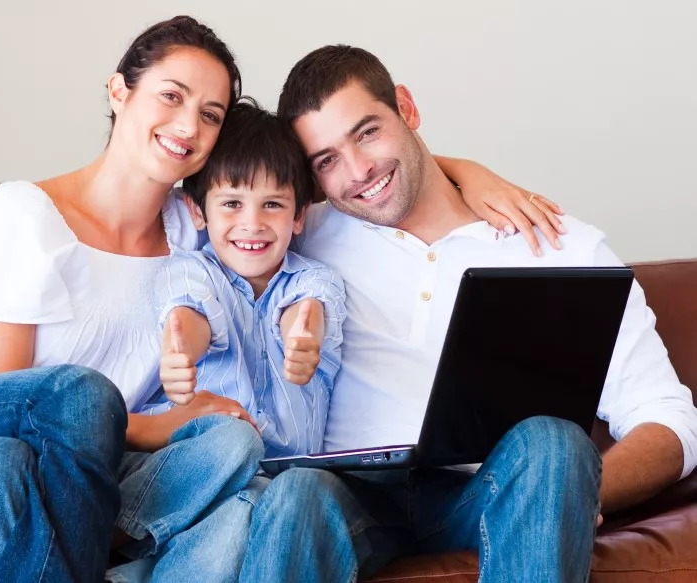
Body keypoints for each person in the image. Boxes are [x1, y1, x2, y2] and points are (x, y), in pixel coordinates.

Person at [0, 16, 269, 583]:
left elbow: (290, 196)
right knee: (72, 394)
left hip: (7, 468)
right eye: (171, 96)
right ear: (119, 91)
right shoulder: (26, 215)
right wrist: (161, 426)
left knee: (3, 470)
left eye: (210, 115)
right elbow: (5, 398)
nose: (188, 124)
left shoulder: (192, 234)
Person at [236, 45, 697, 583]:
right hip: (351, 495)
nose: (358, 172)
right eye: (327, 160)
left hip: (491, 492)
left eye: (367, 133)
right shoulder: (298, 229)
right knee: (294, 492)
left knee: (553, 442)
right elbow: (194, 200)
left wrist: (571, 490)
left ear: (406, 108)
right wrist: (462, 170)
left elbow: (670, 422)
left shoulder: (559, 246)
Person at [145, 98, 346, 457]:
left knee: (303, 488)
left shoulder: (313, 278)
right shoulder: (192, 270)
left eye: (272, 204)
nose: (252, 224)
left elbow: (302, 311)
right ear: (198, 211)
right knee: (234, 441)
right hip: (205, 460)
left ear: (299, 215)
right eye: (232, 204)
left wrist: (302, 339)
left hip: (288, 474)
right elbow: (192, 315)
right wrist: (182, 354)